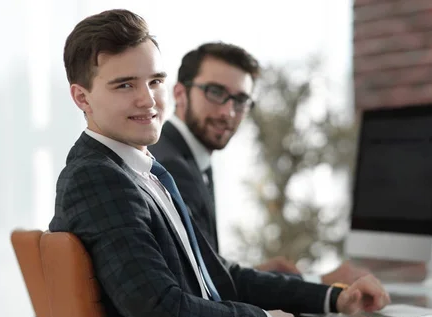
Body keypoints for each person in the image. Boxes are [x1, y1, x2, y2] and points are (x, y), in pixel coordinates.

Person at [49, 9, 391, 317]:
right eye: (125, 85)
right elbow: (165, 316)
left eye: (155, 80)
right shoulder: (98, 179)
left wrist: (332, 297)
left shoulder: (140, 171)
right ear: (82, 97)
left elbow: (217, 275)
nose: (148, 100)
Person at [149, 42, 369, 286]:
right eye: (215, 92)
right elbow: (211, 284)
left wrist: (265, 274)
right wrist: (320, 282)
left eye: (240, 100)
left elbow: (207, 270)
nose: (228, 112)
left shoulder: (188, 157)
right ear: (179, 94)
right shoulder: (172, 167)